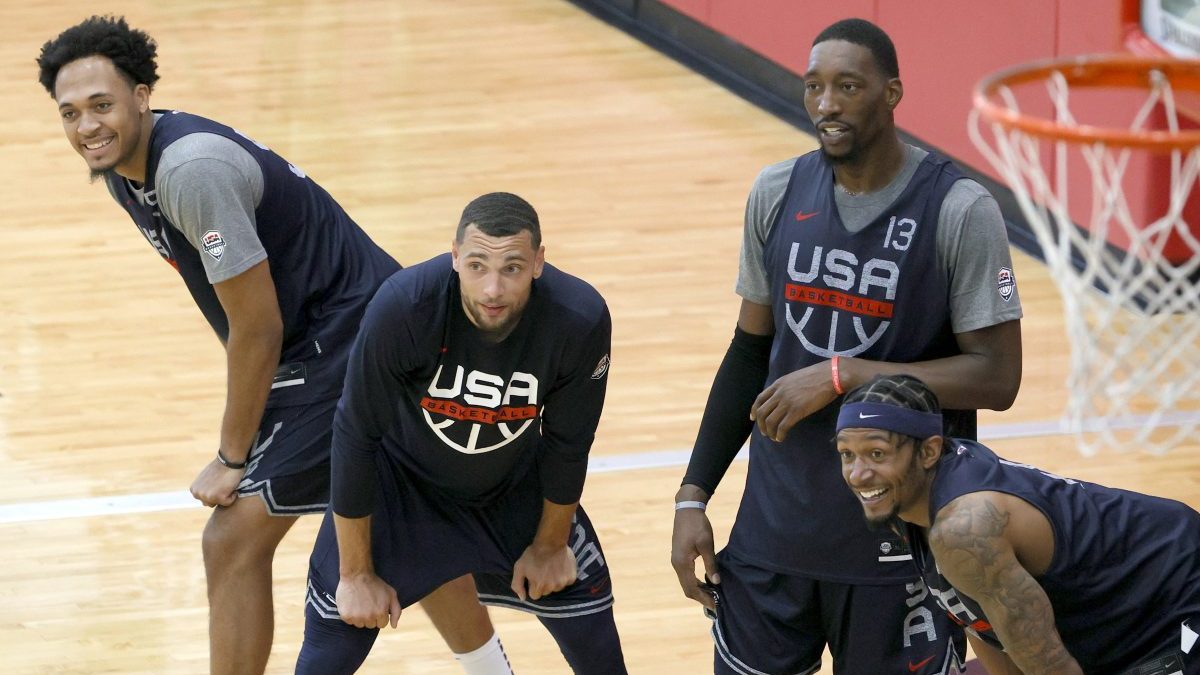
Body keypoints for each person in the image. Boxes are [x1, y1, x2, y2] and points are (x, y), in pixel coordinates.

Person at [34, 16, 510, 675]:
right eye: (70, 113)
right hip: (337, 339)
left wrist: (233, 454)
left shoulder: (190, 171)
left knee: (231, 539)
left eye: (101, 105)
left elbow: (257, 327)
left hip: (356, 344)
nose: (87, 126)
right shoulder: (124, 170)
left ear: (142, 96)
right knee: (406, 521)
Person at [669, 17, 1025, 675]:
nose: (826, 104)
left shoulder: (959, 209)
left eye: (848, 87)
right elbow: (749, 352)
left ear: (892, 93)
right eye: (814, 87)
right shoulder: (777, 191)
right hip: (775, 534)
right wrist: (693, 494)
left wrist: (847, 374)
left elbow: (997, 377)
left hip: (902, 542)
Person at [294, 192, 628, 674]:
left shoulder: (578, 318)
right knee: (327, 650)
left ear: (538, 262)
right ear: (454, 256)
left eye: (512, 268)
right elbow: (355, 435)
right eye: (476, 266)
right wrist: (356, 573)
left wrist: (550, 546)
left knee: (598, 645)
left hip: (510, 489)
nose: (492, 289)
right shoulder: (404, 306)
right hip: (401, 492)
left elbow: (568, 443)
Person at [835, 373, 1200, 675]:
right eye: (847, 454)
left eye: (877, 454)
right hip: (1115, 612)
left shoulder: (964, 527)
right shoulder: (906, 499)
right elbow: (978, 620)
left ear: (929, 451)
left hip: (1173, 589)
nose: (858, 474)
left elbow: (1050, 664)